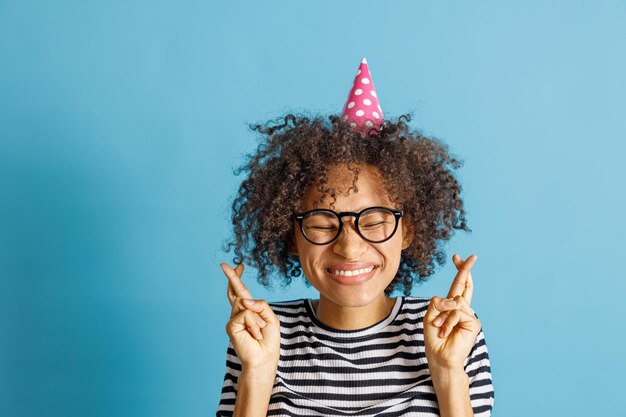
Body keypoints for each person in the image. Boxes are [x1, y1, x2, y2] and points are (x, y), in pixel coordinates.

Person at [217, 59, 494, 417]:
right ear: (291, 235)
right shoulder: (261, 333)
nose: (349, 247)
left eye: (375, 220)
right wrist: (257, 373)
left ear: (407, 229)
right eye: (322, 222)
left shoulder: (452, 330)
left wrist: (448, 371)